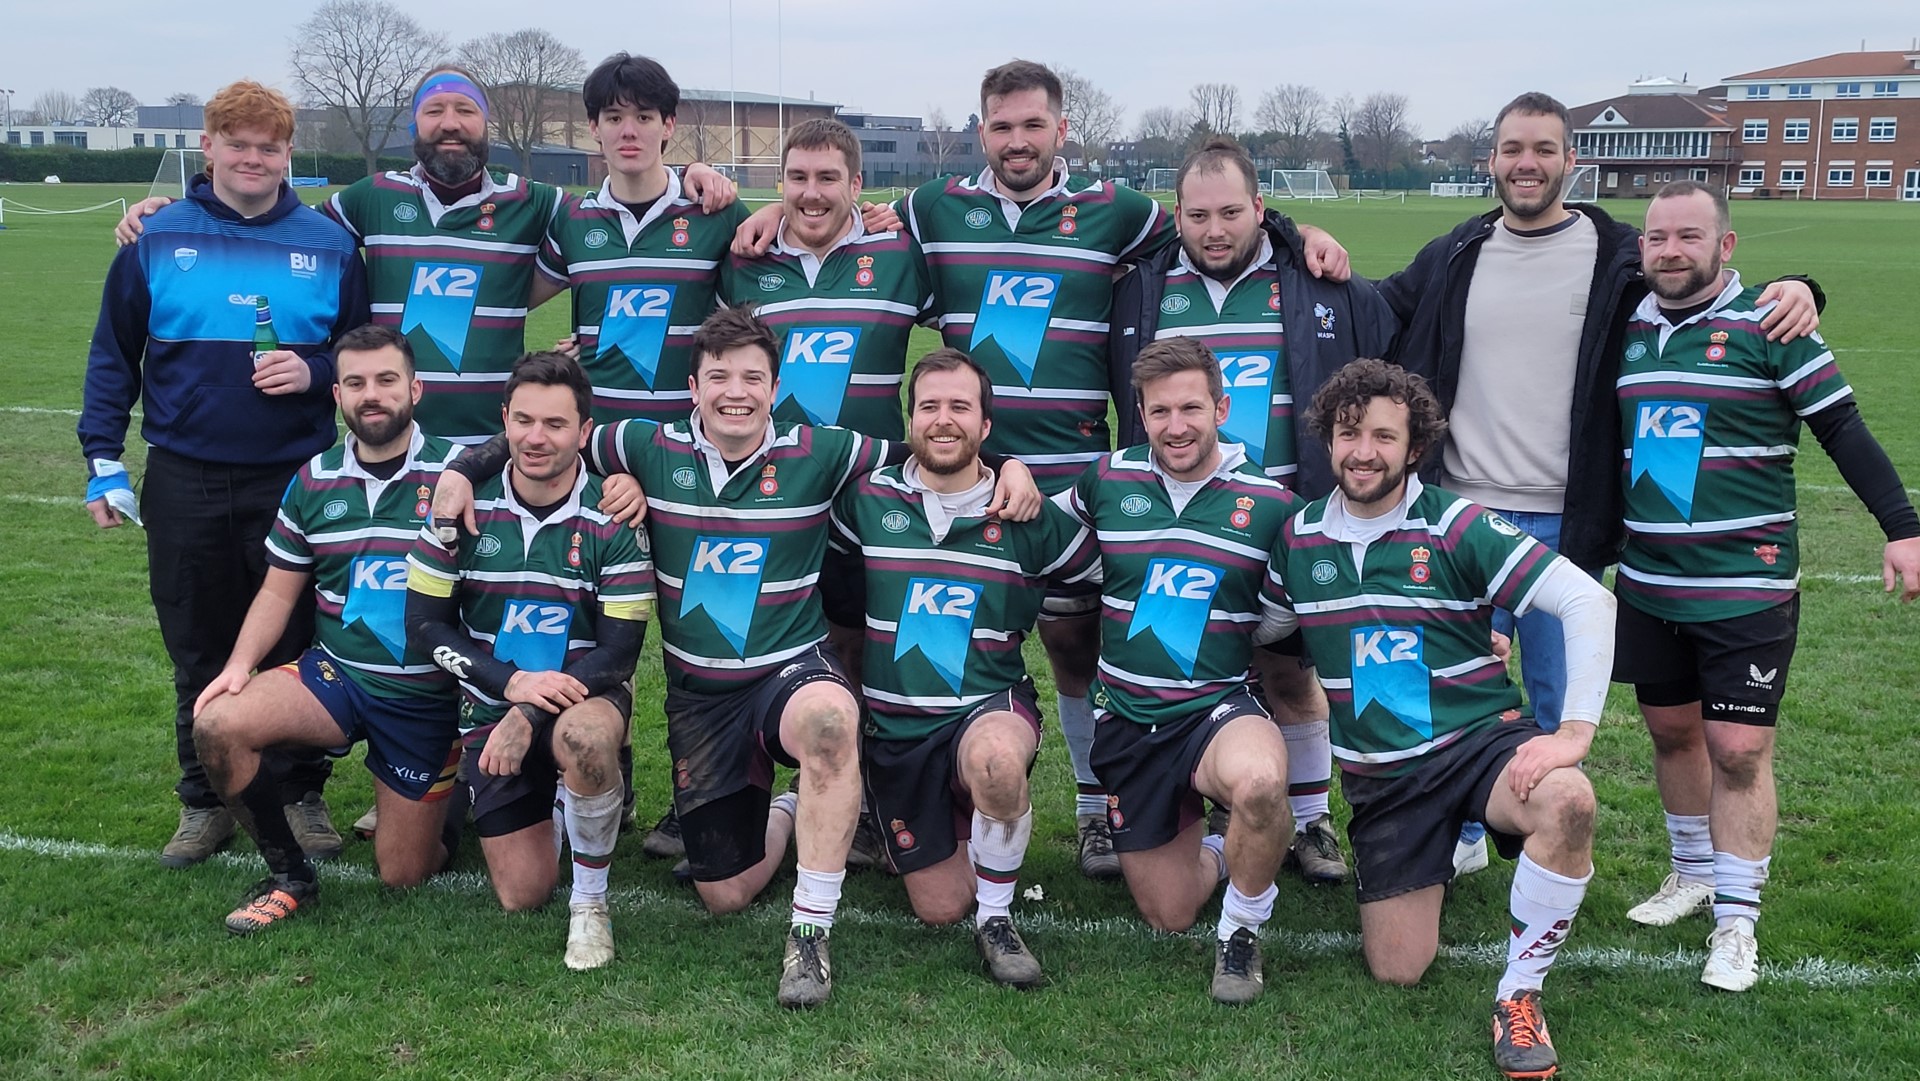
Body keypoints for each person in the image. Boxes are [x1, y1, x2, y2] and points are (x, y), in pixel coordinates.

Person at [740, 59, 1343, 880]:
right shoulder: (931, 208)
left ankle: (1105, 809)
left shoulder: (1118, 211)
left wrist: (1295, 232)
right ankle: (872, 799)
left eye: (1033, 126)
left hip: (1078, 477)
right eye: (1001, 126)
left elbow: (1215, 220)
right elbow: (838, 214)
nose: (1017, 141)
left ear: (1063, 130)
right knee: (890, 630)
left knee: (1078, 638)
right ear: (980, 131)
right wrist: (780, 205)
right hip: (958, 469)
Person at [433, 306, 1036, 1005]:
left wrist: (1009, 464)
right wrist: (460, 469)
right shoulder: (642, 445)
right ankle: (791, 809)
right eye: (718, 377)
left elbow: (934, 444)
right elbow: (543, 436)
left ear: (776, 387)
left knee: (831, 721)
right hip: (701, 696)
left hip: (789, 672)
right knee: (724, 892)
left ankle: (810, 935)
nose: (735, 392)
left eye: (753, 377)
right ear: (693, 388)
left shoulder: (825, 449)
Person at [1376, 91, 1821, 877]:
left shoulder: (1617, 255)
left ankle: (1540, 836)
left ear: (1570, 160)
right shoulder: (1458, 251)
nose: (1526, 163)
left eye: (1544, 149)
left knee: (1554, 698)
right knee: (1447, 680)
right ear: (1492, 159)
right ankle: (1464, 823)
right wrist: (1309, 247)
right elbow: (1372, 308)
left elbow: (1698, 280)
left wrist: (1801, 286)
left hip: (1563, 520)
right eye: (1513, 148)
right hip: (1456, 515)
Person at [1257, 359, 1614, 1080]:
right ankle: (1440, 854)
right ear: (1328, 438)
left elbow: (1588, 602)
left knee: (1569, 799)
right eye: (1349, 432)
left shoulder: (1457, 525)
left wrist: (1575, 730)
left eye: (1384, 436)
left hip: (1479, 744)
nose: (1364, 451)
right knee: (1397, 969)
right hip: (1387, 783)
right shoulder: (1296, 539)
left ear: (1415, 446)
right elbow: (1260, 629)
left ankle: (1519, 993)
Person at [1611, 181, 1920, 993]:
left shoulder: (1772, 326)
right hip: (1647, 583)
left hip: (1745, 587)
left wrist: (1903, 525)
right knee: (1672, 732)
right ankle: (1692, 872)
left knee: (1739, 750)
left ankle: (1737, 921)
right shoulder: (1628, 327)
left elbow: (1843, 429)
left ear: (1727, 246)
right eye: (1656, 238)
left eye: (1688, 236)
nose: (1670, 250)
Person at [80, 79, 368, 868]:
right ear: (206, 149)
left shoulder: (331, 243)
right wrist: (101, 459)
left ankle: (301, 792)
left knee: (302, 639)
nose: (252, 158)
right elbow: (114, 358)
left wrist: (312, 372)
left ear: (286, 155)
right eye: (236, 143)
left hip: (299, 481)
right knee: (199, 642)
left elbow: (360, 352)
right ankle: (204, 800)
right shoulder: (155, 236)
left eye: (267, 146)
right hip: (185, 476)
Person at [1109, 135, 1403, 884]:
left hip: (1286, 517)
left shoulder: (1310, 278)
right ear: (1175, 214)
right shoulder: (1142, 286)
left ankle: (1307, 819)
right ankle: (1187, 800)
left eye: (1232, 212)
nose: (1215, 229)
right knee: (1186, 654)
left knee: (1290, 671)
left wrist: (1307, 237)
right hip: (1181, 518)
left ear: (1262, 210)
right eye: (1199, 214)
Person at [827, 348, 1098, 987]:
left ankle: (998, 919)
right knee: (940, 906)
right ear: (910, 419)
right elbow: (831, 584)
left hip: (988, 707)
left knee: (998, 763)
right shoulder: (865, 501)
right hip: (897, 735)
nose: (943, 420)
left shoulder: (1029, 515)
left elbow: (1106, 581)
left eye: (959, 407)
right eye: (929, 407)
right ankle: (820, 814)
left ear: (985, 426)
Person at [191, 326, 464, 933]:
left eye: (387, 381)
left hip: (424, 696)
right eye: (357, 383)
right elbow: (277, 590)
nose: (373, 395)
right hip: (337, 674)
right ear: (336, 394)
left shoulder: (461, 473)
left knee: (403, 874)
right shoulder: (312, 478)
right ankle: (290, 875)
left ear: (416, 389)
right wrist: (239, 666)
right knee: (218, 724)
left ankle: (454, 796)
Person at [1060, 337, 1302, 1004]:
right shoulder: (1106, 479)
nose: (1176, 426)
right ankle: (1230, 847)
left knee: (1257, 783)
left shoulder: (1272, 503)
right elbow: (1041, 537)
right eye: (1159, 411)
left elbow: (1291, 612)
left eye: (1191, 407)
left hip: (1217, 709)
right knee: (1168, 913)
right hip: (1132, 721)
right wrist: (1012, 474)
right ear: (1140, 413)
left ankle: (1242, 933)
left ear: (1222, 406)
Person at [405, 353, 654, 971]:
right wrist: (510, 686)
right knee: (523, 894)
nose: (537, 438)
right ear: (504, 421)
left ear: (585, 432)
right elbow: (422, 628)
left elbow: (620, 654)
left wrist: (529, 714)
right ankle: (530, 794)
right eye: (523, 421)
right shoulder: (456, 507)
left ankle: (591, 906)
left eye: (556, 424)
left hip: (585, 695)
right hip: (492, 703)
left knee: (587, 740)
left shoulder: (614, 517)